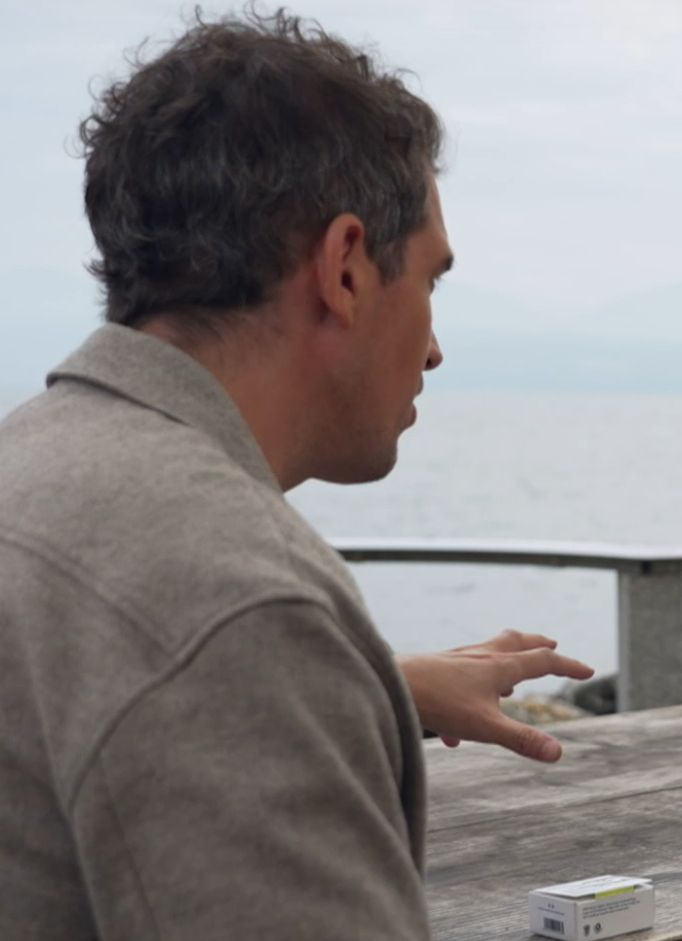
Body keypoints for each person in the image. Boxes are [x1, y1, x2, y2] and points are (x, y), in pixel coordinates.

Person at [0, 10, 594, 941]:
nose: (434, 348)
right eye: (431, 280)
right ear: (346, 268)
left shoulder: (28, 469)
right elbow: (202, 641)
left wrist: (363, 687)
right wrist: (290, 663)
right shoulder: (240, 608)